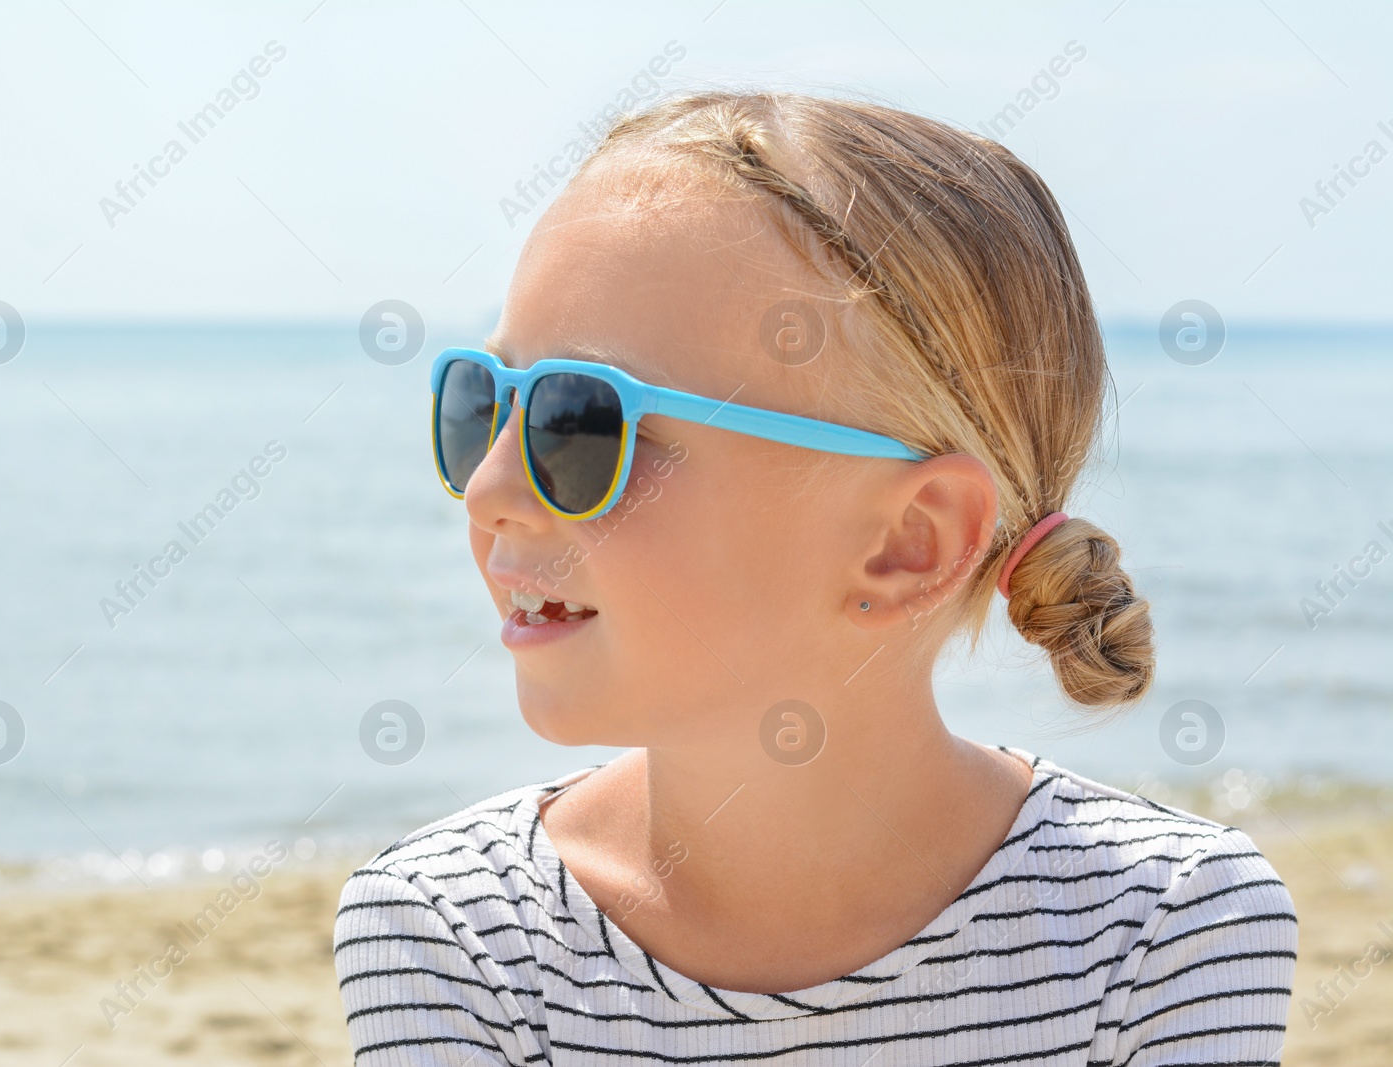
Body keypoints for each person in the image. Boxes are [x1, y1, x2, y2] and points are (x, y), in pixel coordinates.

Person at [334, 91, 1296, 1065]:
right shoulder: (455, 935)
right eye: (479, 401)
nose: (489, 486)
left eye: (576, 424)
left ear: (908, 540)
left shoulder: (1165, 926)